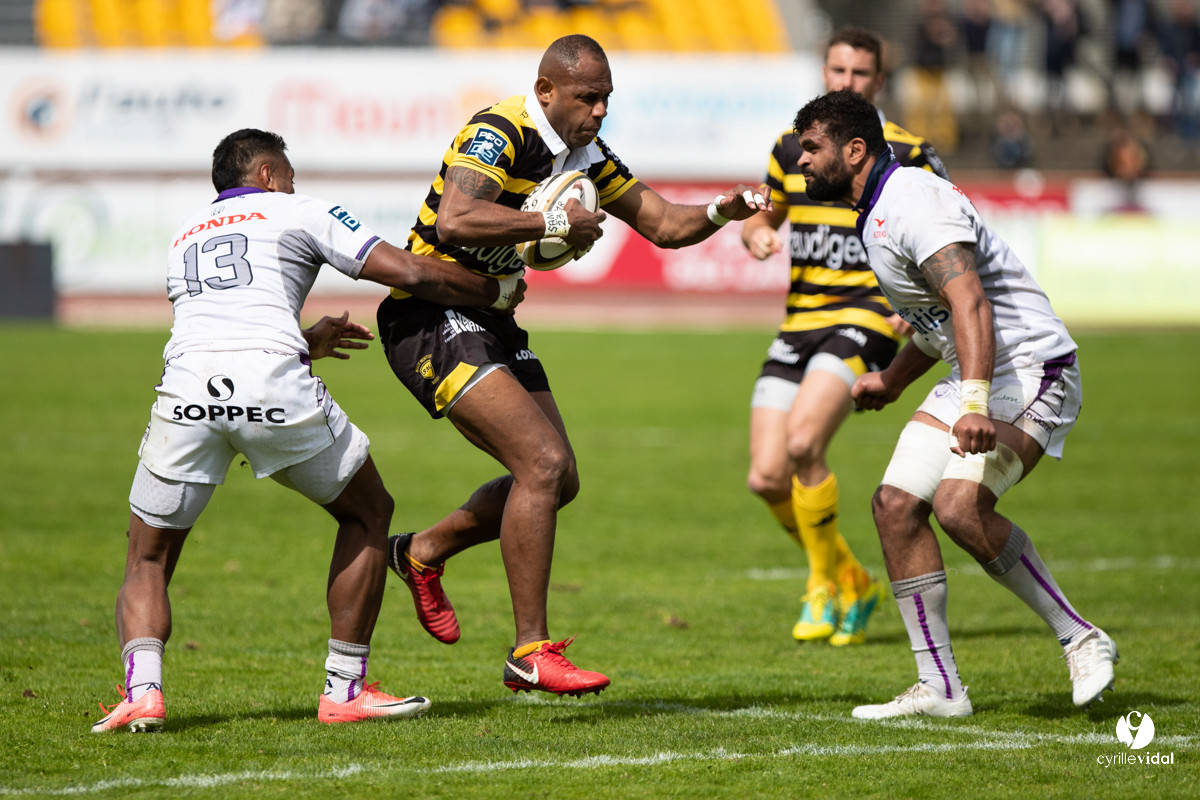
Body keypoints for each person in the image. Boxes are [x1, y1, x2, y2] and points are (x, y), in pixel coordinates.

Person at [91, 128, 526, 733]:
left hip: (186, 388)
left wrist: (304, 340)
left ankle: (143, 691)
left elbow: (223, 328)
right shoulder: (298, 208)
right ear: (269, 174)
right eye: (289, 175)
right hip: (274, 384)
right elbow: (406, 271)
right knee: (369, 513)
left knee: (148, 555)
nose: (295, 185)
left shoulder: (185, 233)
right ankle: (343, 689)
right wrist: (495, 290)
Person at [375, 33, 768, 697]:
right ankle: (530, 651)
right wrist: (552, 222)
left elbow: (666, 225)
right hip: (429, 313)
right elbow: (455, 220)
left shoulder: (586, 153)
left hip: (491, 317)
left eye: (607, 98)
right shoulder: (500, 131)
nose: (600, 110)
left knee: (561, 480)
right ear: (547, 90)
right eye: (589, 97)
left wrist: (720, 211)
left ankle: (424, 551)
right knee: (543, 466)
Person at [790, 89, 1118, 718]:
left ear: (855, 150)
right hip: (974, 368)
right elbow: (940, 318)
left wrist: (971, 403)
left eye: (812, 148)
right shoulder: (879, 207)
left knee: (960, 507)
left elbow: (971, 303)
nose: (801, 160)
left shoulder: (911, 198)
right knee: (894, 507)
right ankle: (939, 685)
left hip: (1028, 366)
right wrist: (892, 379)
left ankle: (1081, 636)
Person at [741, 26, 948, 648]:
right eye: (837, 71)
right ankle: (853, 578)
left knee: (805, 442)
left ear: (877, 83)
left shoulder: (908, 152)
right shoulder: (790, 148)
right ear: (823, 72)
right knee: (766, 477)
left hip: (865, 317)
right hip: (798, 321)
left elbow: (951, 230)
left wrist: (925, 299)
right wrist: (756, 233)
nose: (846, 82)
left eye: (859, 74)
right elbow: (767, 214)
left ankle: (820, 585)